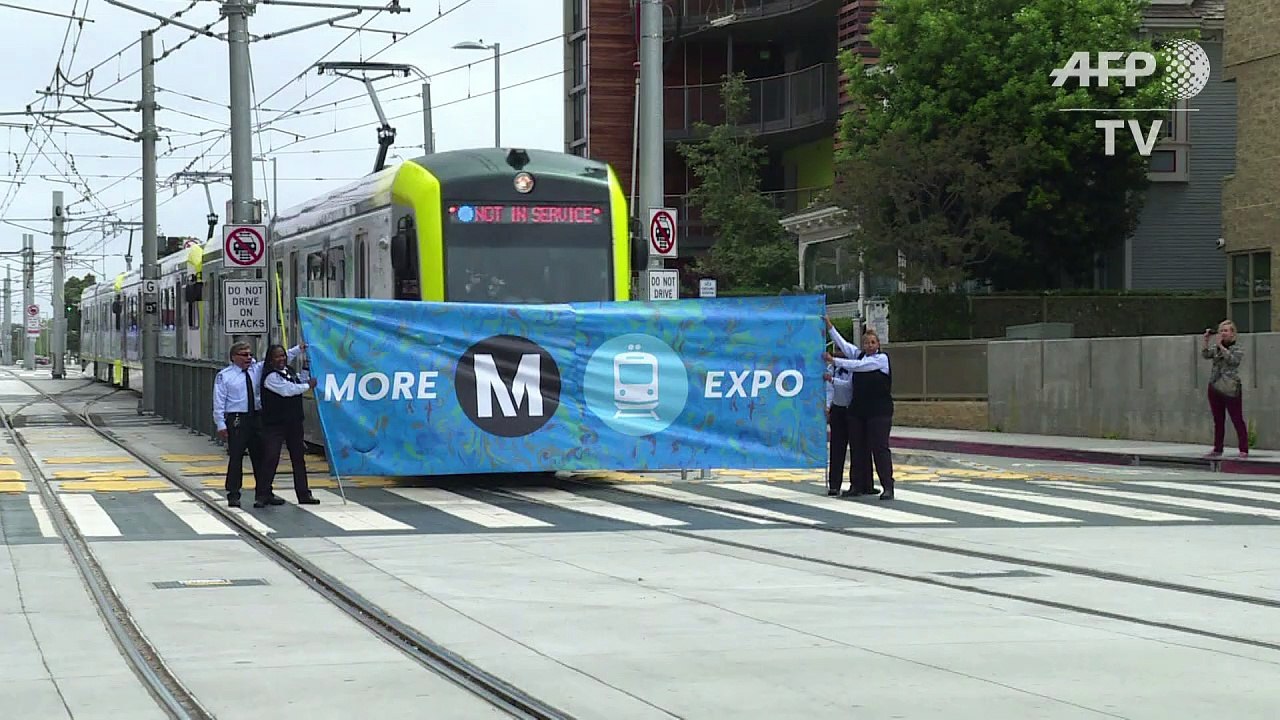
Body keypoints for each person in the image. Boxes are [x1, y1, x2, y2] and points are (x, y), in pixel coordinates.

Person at [212, 341, 302, 508]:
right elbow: (219, 400)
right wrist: (220, 424)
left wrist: (298, 349)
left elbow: (278, 358)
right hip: (238, 417)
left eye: (250, 354)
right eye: (244, 355)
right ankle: (233, 493)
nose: (249, 357)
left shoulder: (256, 369)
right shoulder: (225, 376)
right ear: (234, 357)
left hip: (257, 416)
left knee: (261, 455)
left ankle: (264, 492)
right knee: (236, 456)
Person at [825, 319, 894, 500]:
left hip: (879, 411)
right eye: (866, 343)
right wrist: (830, 326)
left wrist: (835, 361)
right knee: (857, 448)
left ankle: (888, 485)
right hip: (858, 411)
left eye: (873, 342)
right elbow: (844, 345)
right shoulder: (859, 356)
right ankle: (857, 485)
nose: (869, 346)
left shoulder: (881, 360)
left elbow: (859, 367)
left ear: (878, 344)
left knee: (879, 448)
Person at [258, 343, 320, 505]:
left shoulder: (289, 372)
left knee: (298, 458)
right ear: (270, 360)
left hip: (293, 423)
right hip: (275, 424)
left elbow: (298, 381)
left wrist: (305, 368)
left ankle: (303, 494)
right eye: (277, 356)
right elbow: (288, 390)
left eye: (283, 356)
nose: (282, 359)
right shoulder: (270, 377)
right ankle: (263, 493)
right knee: (271, 457)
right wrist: (308, 386)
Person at [1202, 319, 1248, 458]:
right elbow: (1205, 355)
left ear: (1232, 333)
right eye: (1221, 330)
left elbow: (1233, 360)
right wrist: (1206, 341)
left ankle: (1244, 449)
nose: (1223, 333)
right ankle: (1218, 448)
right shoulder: (1216, 348)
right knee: (1218, 419)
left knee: (1236, 418)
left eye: (1226, 331)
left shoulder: (1237, 348)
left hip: (1230, 387)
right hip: (1215, 385)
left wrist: (1221, 347)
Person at [824, 343, 855, 496]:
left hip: (852, 410)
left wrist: (833, 380)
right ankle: (834, 484)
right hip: (837, 410)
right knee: (836, 449)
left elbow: (850, 387)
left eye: (842, 351)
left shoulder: (854, 367)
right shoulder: (831, 369)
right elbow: (829, 389)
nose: (839, 353)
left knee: (857, 449)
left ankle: (857, 484)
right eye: (837, 350)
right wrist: (827, 406)